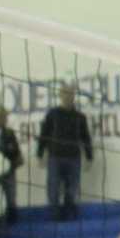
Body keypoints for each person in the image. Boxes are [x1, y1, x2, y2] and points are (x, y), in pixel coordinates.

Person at [38, 84, 95, 221]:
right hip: (55, 157)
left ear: (74, 96)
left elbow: (85, 137)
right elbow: (44, 134)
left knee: (72, 188)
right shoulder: (52, 114)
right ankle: (55, 216)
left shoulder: (80, 117)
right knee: (54, 188)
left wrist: (89, 156)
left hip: (73, 158)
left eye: (70, 93)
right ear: (60, 95)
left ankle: (69, 213)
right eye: (65, 93)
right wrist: (40, 154)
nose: (68, 96)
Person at [0, 105, 24, 225]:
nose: (4, 119)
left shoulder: (9, 133)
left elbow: (15, 150)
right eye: (2, 117)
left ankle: (12, 221)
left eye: (5, 117)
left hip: (8, 170)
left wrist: (16, 161)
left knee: (11, 196)